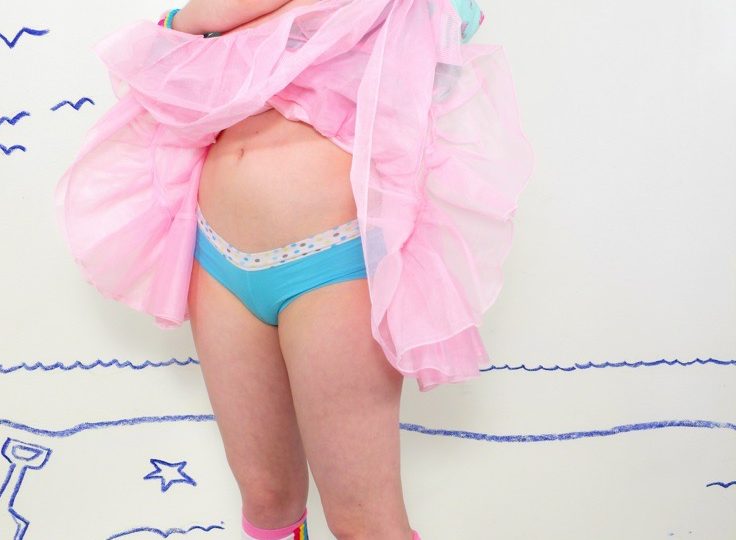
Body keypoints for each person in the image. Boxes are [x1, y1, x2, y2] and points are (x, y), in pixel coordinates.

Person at [54, 0, 534, 538]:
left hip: (333, 257)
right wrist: (203, 24)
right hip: (218, 253)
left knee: (364, 524)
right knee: (267, 503)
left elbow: (211, 22)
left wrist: (186, 24)